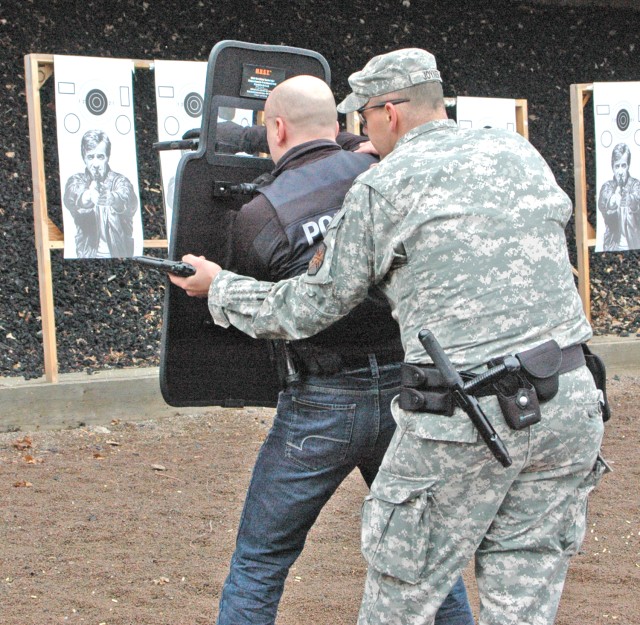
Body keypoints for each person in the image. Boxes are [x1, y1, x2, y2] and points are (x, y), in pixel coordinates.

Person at [170, 49, 610, 625]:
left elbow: (311, 305)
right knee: (521, 596)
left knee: (400, 597)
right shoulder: (516, 151)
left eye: (366, 119)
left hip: (469, 410)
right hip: (567, 400)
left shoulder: (386, 185)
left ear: (391, 114)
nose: (361, 133)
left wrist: (220, 288)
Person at [173, 75, 474, 625]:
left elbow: (264, 309)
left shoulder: (260, 215)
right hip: (407, 391)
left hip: (322, 401)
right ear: (340, 125)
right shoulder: (383, 175)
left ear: (278, 128)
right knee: (426, 554)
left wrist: (211, 284)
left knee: (260, 561)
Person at [63, 129, 138, 258]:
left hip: (119, 257)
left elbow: (128, 200)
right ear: (84, 158)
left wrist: (113, 199)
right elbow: (72, 195)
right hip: (87, 257)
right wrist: (87, 196)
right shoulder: (76, 180)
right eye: (91, 157)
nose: (96, 163)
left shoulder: (120, 180)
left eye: (100, 156)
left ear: (107, 157)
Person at [597, 141, 640, 251]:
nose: (620, 171)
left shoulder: (636, 184)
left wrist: (627, 198)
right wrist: (612, 201)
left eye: (623, 165)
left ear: (628, 166)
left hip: (634, 246)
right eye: (617, 166)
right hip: (612, 246)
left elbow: (637, 198)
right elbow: (603, 202)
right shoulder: (607, 186)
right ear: (612, 167)